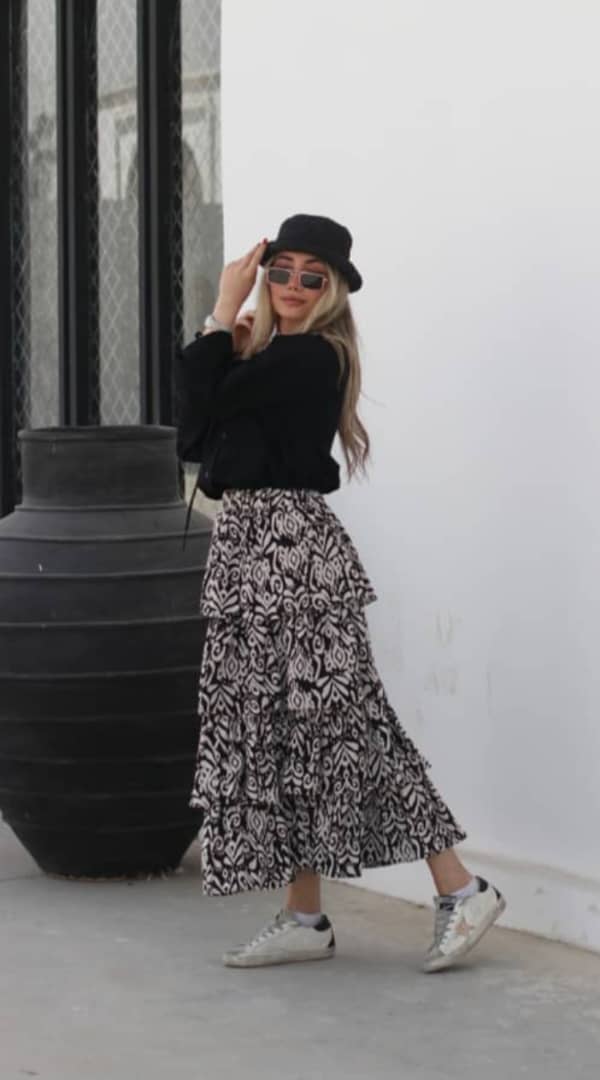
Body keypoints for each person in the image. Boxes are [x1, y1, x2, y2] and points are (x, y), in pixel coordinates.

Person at [174, 213, 506, 972]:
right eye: (280, 270)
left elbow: (207, 398)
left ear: (332, 291)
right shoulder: (266, 357)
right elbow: (193, 437)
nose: (292, 286)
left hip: (294, 557)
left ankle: (462, 888)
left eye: (310, 276)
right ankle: (305, 916)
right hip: (245, 556)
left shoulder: (314, 357)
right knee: (282, 735)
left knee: (347, 726)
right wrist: (232, 340)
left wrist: (222, 311)